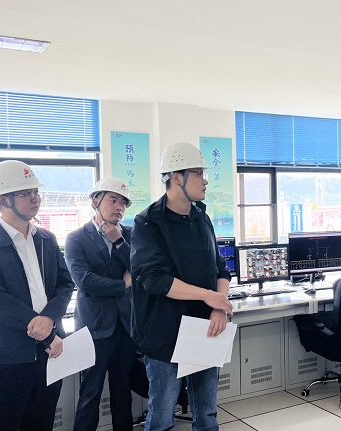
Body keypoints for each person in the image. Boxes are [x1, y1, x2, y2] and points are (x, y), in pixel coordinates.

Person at [130, 142, 233, 431]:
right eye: (198, 173)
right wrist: (209, 296)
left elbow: (221, 269)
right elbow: (154, 278)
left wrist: (219, 307)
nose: (205, 180)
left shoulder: (202, 218)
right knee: (163, 415)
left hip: (205, 329)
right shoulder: (148, 223)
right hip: (165, 333)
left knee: (207, 414)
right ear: (177, 177)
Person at [0, 160, 73, 431]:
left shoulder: (46, 240)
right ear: (3, 199)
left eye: (36, 191)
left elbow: (64, 284)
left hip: (49, 354)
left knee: (41, 423)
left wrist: (50, 317)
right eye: (26, 193)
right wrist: (47, 332)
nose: (35, 198)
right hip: (7, 359)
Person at [65, 177, 137, 431]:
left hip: (125, 326)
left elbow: (141, 269)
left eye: (123, 203)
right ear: (96, 201)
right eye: (113, 200)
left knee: (123, 391)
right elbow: (84, 281)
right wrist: (122, 285)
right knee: (90, 393)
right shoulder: (76, 238)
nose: (119, 207)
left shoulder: (129, 235)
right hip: (93, 328)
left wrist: (119, 242)